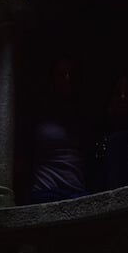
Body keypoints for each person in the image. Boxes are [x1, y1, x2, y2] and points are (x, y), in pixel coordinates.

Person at [29, 57, 91, 203]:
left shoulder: (83, 115)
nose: (67, 79)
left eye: (71, 74)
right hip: (45, 190)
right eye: (62, 74)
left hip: (77, 192)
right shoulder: (39, 114)